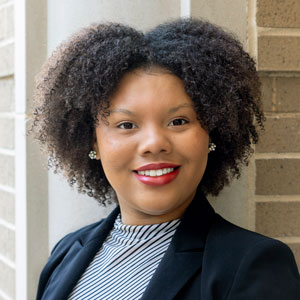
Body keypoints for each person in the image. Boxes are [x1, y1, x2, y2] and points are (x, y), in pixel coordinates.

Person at [33, 18, 300, 300]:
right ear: (92, 142)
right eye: (126, 125)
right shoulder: (66, 253)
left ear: (211, 132)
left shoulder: (252, 265)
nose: (154, 144)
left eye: (178, 121)